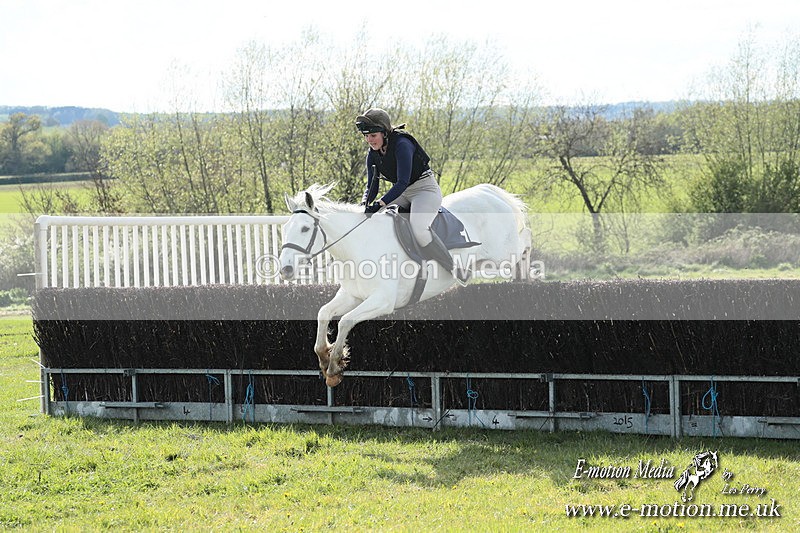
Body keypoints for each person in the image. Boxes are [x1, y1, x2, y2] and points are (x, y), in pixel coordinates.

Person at [355, 108, 455, 274]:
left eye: (372, 135)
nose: (369, 140)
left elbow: (402, 182)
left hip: (424, 190)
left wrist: (380, 203)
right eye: (365, 136)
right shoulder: (373, 153)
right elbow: (372, 186)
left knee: (419, 229)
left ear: (384, 132)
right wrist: (365, 204)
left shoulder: (402, 144)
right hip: (401, 193)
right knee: (373, 219)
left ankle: (453, 268)